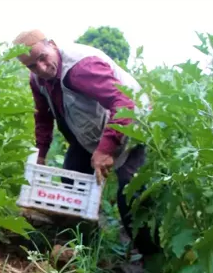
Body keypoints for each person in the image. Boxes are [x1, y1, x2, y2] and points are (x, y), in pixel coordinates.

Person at [12, 29, 160, 258]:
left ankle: (151, 259)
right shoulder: (38, 80)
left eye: (42, 57)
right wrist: (40, 153)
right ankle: (87, 248)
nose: (41, 68)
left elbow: (124, 105)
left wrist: (106, 148)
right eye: (32, 66)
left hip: (131, 125)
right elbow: (42, 116)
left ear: (52, 44)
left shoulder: (82, 68)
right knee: (71, 179)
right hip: (90, 127)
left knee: (130, 195)